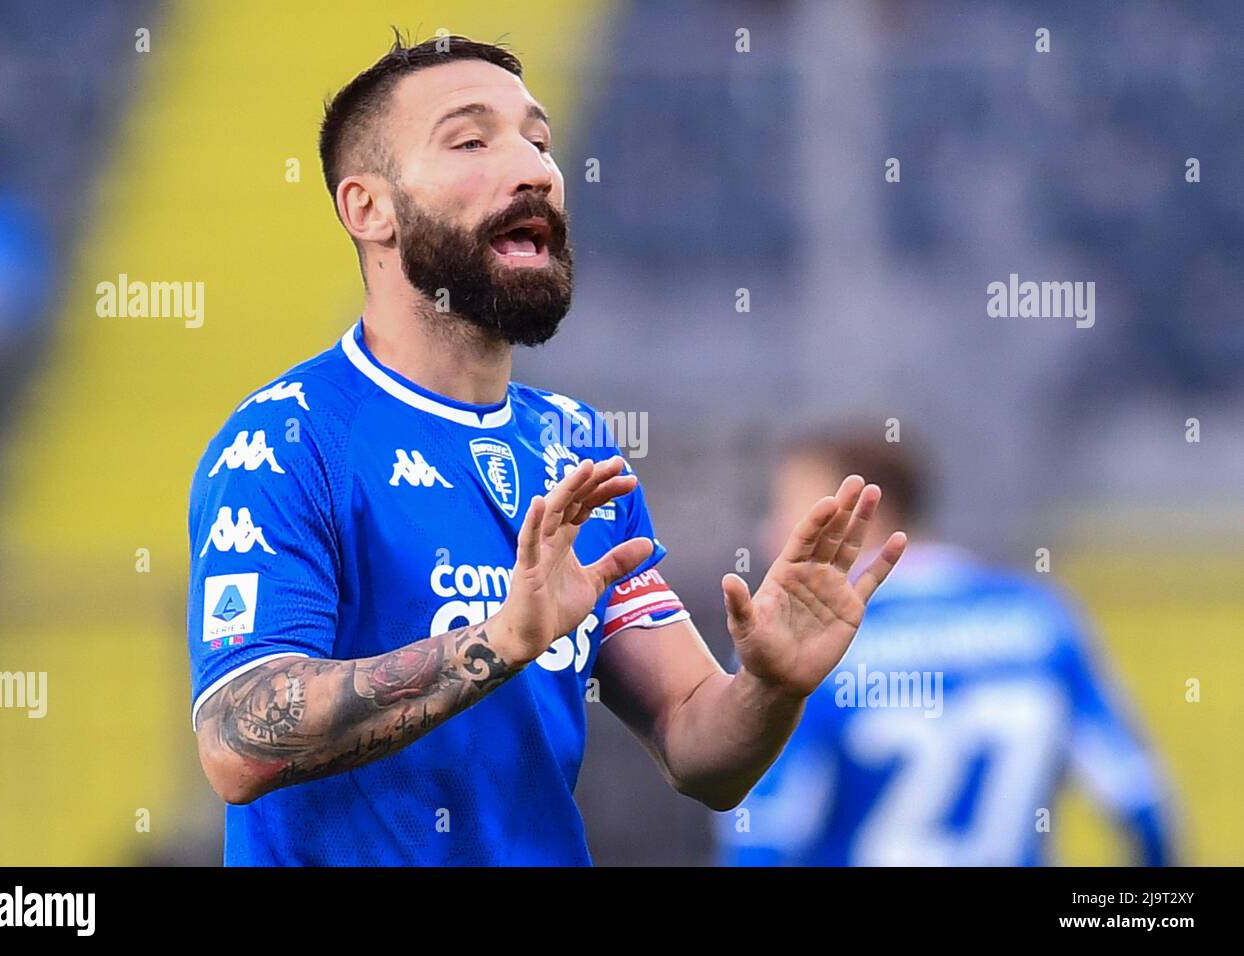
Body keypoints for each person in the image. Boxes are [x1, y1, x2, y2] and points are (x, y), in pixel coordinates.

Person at [184, 32, 907, 866]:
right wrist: (496, 640)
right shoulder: (289, 438)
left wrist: (771, 687)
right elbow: (239, 741)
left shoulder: (572, 445)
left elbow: (698, 747)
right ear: (368, 208)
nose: (534, 168)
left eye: (538, 139)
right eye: (471, 140)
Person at [713, 430, 1176, 866]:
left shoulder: (801, 646)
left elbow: (763, 839)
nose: (769, 533)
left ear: (855, 516)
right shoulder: (1037, 616)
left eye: (786, 508)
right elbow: (1138, 800)